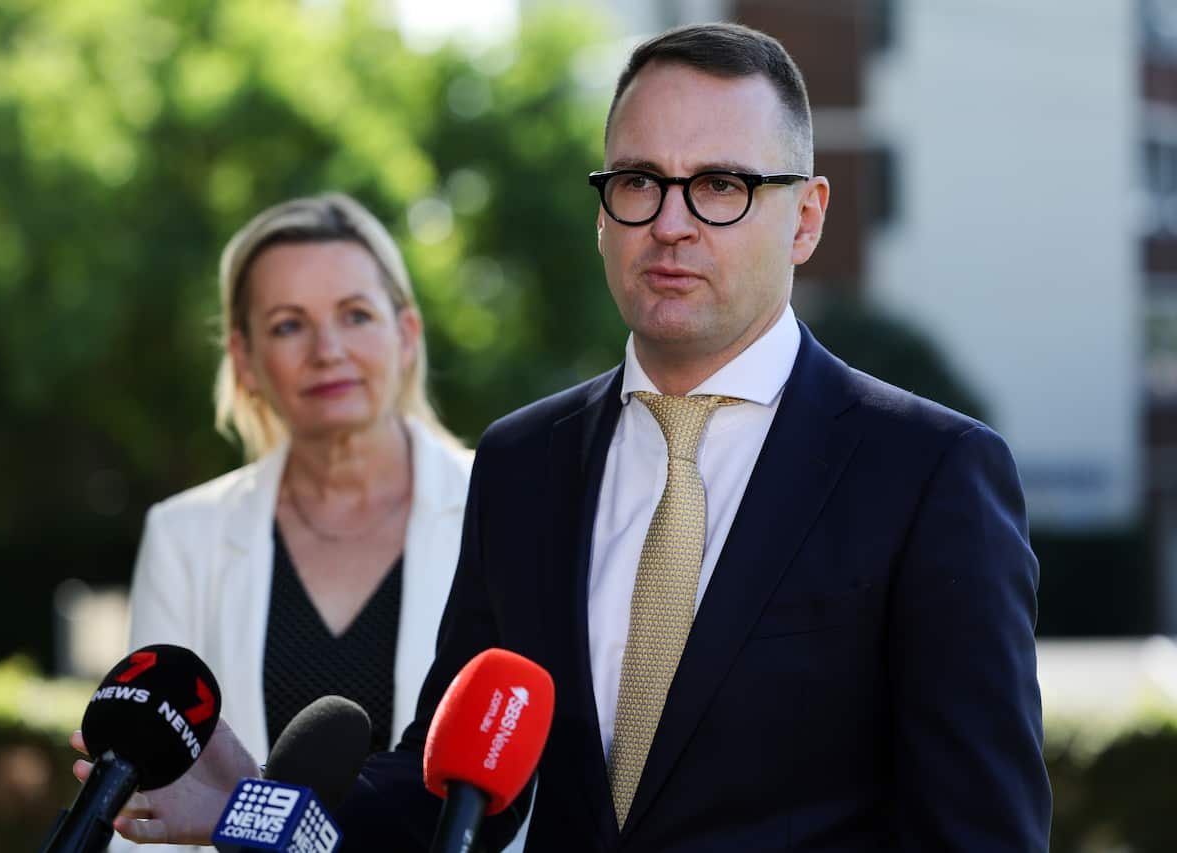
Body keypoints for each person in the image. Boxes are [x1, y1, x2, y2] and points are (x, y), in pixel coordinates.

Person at [77, 23, 1052, 851]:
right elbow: (442, 789)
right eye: (637, 181)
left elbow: (980, 829)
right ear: (601, 213)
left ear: (804, 216)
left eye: (719, 185)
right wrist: (246, 811)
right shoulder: (524, 462)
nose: (669, 222)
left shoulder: (927, 473)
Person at [104, 193, 478, 851]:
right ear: (245, 361)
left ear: (407, 335)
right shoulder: (183, 535)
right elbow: (151, 808)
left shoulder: (504, 504)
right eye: (287, 325)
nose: (327, 349)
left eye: (356, 314)